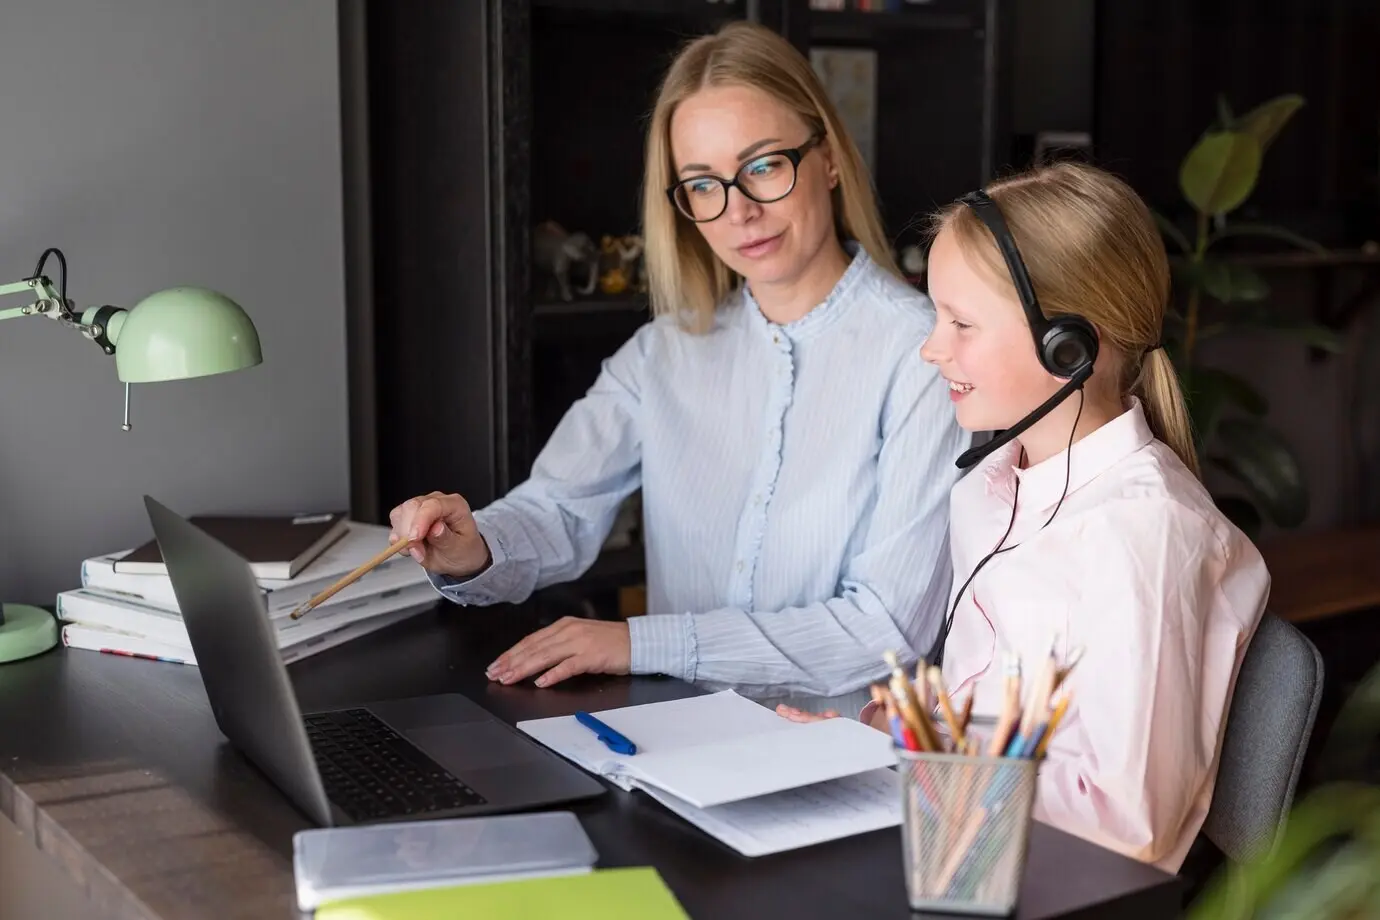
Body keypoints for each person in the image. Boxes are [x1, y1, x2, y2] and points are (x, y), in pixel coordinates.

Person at [387, 21, 969, 717]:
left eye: (763, 166)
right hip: (671, 749)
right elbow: (558, 511)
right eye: (702, 184)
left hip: (838, 767)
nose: (741, 212)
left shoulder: (923, 354)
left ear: (830, 157)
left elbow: (887, 630)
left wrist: (644, 644)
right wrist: (472, 548)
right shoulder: (663, 352)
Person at [778, 161, 1269, 874]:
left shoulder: (1143, 536)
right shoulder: (989, 492)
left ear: (1066, 344)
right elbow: (984, 726)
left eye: (962, 324)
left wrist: (903, 759)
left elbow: (1127, 826)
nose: (930, 348)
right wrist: (878, 732)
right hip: (968, 854)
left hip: (1057, 884)